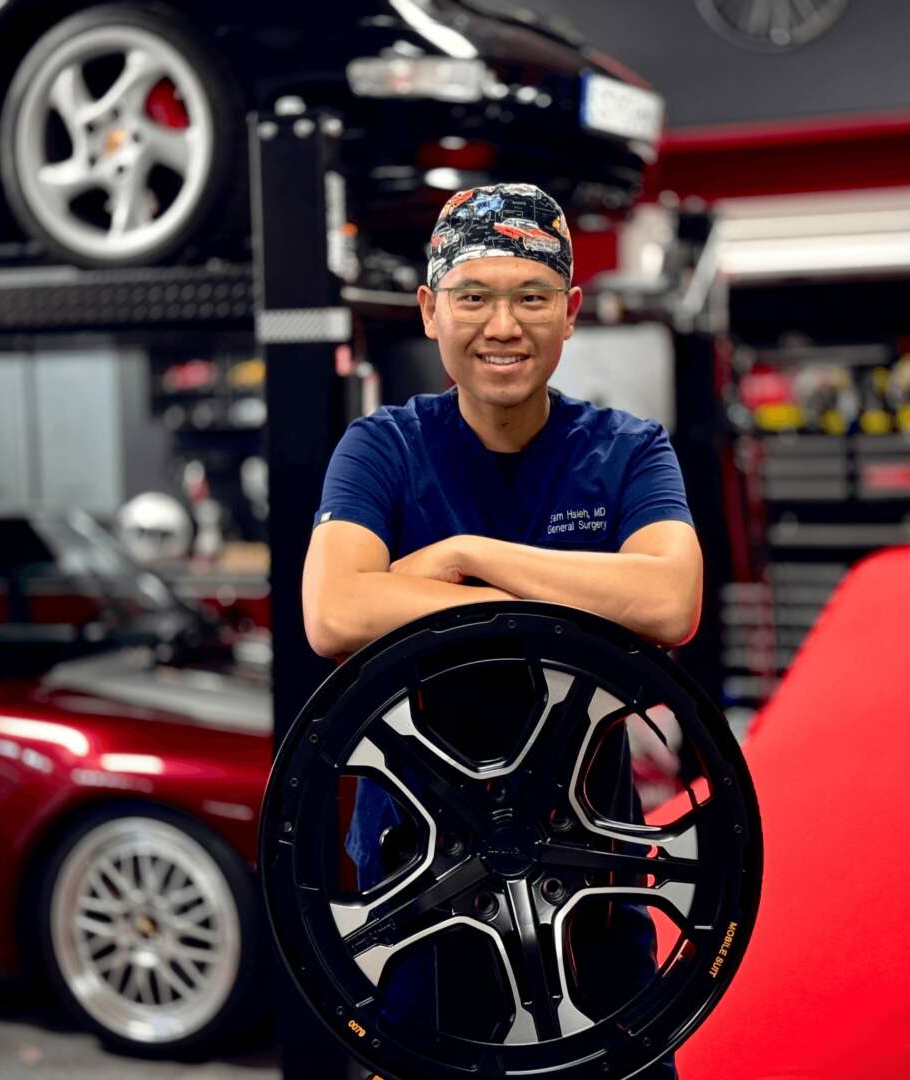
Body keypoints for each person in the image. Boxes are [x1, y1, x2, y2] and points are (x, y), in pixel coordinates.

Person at [302, 182, 702, 1079]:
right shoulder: (383, 449)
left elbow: (671, 602)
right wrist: (578, 612)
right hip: (420, 873)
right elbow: (334, 612)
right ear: (430, 311)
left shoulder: (630, 450)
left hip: (591, 873)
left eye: (529, 297)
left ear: (569, 313)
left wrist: (463, 556)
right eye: (473, 296)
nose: (502, 326)